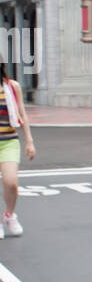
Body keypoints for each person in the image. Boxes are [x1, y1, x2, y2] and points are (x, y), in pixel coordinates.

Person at [0, 62, 35, 238]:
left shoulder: (12, 86)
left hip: (9, 141)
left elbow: (22, 113)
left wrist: (29, 141)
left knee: (11, 182)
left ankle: (9, 215)